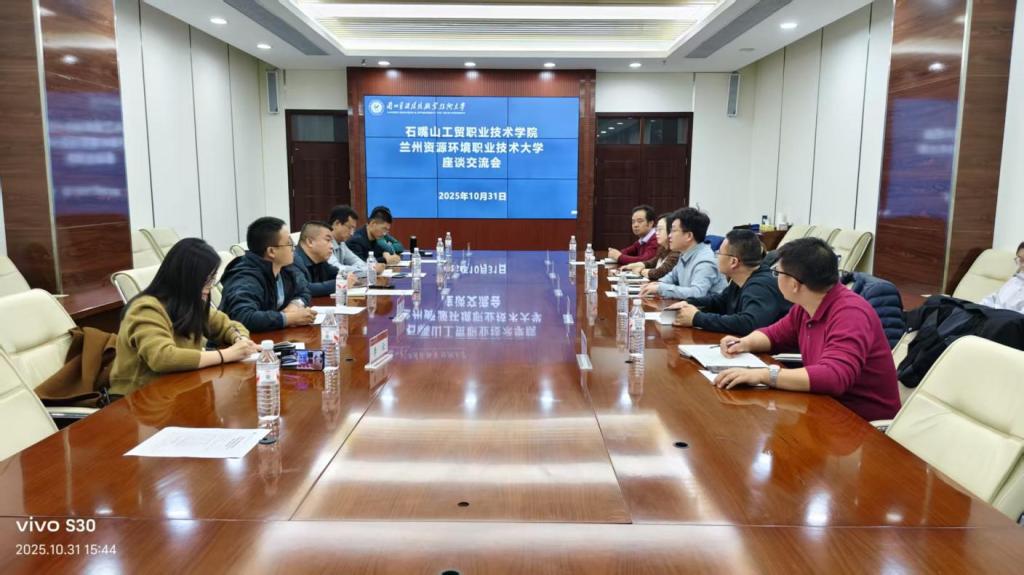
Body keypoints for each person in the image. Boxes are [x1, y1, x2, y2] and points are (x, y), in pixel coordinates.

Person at [712, 237, 901, 422]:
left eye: (777, 273)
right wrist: (744, 343)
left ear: (794, 284)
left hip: (860, 424)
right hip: (824, 407)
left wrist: (765, 375)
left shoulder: (851, 314)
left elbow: (834, 377)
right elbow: (775, 335)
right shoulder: (807, 305)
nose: (775, 278)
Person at [110, 238, 260, 395]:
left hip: (179, 387)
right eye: (206, 281)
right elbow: (162, 358)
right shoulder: (145, 308)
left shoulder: (188, 302)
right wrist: (226, 355)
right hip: (138, 397)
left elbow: (227, 325)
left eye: (212, 279)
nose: (209, 288)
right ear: (186, 278)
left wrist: (240, 340)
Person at [668, 229, 790, 335]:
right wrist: (688, 302)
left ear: (733, 262)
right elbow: (720, 301)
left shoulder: (760, 286)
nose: (716, 257)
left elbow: (749, 323)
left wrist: (697, 318)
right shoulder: (740, 280)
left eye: (719, 253)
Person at [220, 216, 316, 332]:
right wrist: (288, 318)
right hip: (238, 340)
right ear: (271, 251)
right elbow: (243, 317)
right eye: (289, 243)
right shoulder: (246, 278)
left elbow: (304, 290)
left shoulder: (283, 268)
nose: (293, 248)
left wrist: (294, 305)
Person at [640, 207, 727, 300]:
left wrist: (660, 288)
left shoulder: (705, 261)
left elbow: (697, 293)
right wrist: (657, 284)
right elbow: (671, 277)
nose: (669, 236)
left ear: (689, 236)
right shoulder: (685, 254)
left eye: (673, 231)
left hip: (706, 309)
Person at [293, 221, 356, 297]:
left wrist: (346, 276)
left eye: (332, 242)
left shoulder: (320, 260)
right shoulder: (293, 260)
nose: (332, 246)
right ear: (310, 242)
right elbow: (304, 288)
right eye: (328, 240)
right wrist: (340, 284)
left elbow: (335, 273)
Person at [326, 205, 383, 279]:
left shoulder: (342, 243)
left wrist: (368, 269)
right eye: (349, 228)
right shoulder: (325, 243)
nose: (352, 233)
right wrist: (371, 270)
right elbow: (338, 269)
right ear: (337, 223)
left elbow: (358, 262)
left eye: (353, 229)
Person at [618, 214, 680, 281]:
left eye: (660, 229)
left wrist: (641, 271)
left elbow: (660, 272)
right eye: (656, 229)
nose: (657, 233)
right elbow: (652, 262)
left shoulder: (677, 251)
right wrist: (634, 265)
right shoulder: (662, 248)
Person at [979, 241, 1024, 313]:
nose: (1022, 265)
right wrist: (978, 309)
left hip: (1004, 319)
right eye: (1020, 260)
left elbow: (1019, 317)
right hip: (989, 315)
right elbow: (994, 298)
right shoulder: (1016, 279)